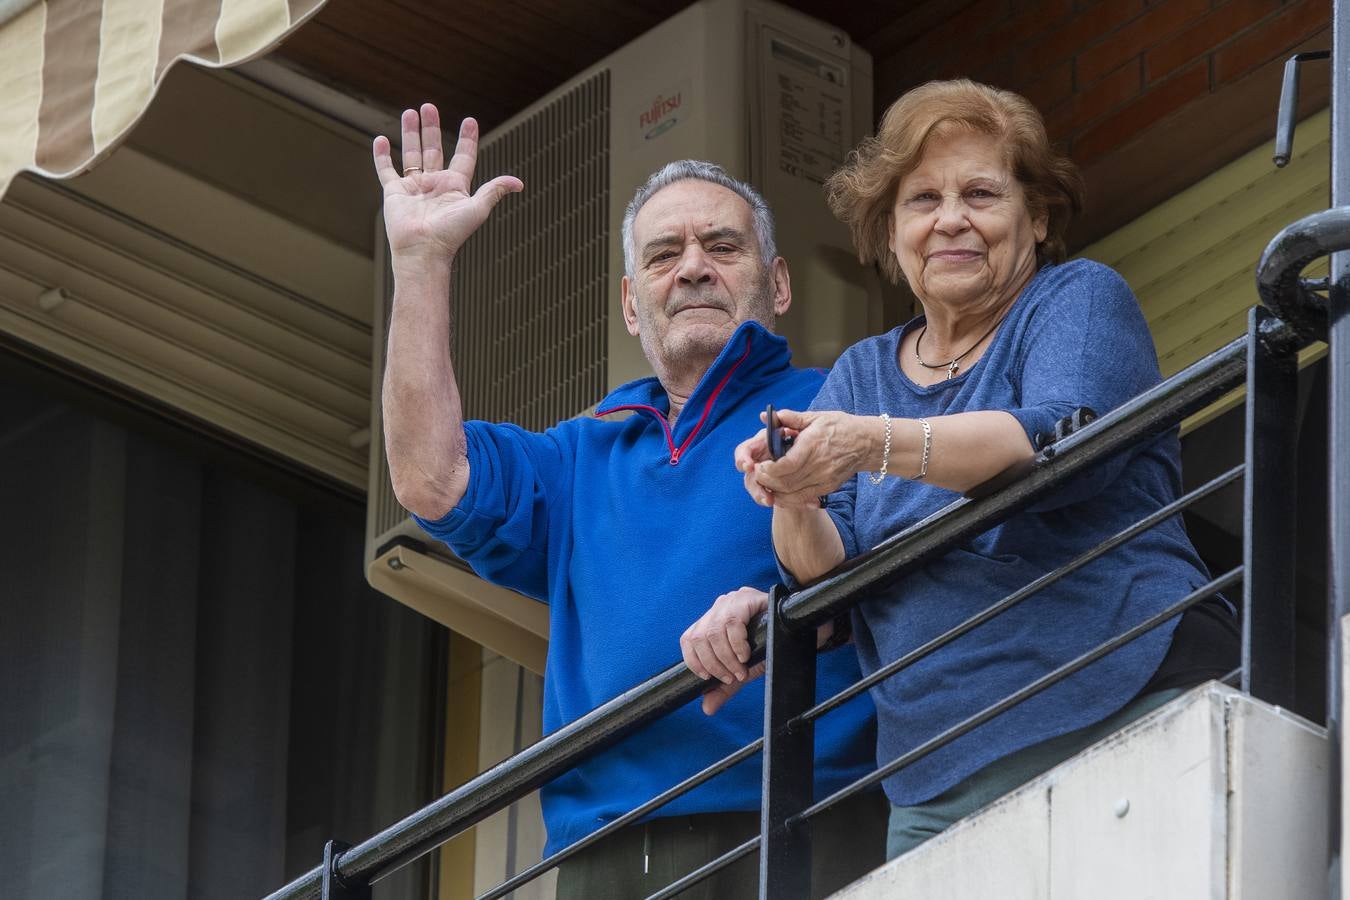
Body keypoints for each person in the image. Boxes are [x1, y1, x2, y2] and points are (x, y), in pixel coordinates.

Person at [685, 79, 1239, 861]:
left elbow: (1055, 443)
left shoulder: (1074, 300)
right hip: (933, 777)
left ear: (1036, 217)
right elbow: (827, 569)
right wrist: (796, 494)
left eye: (981, 192)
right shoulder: (862, 372)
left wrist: (869, 444)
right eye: (922, 200)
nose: (951, 219)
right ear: (891, 230)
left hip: (1124, 697)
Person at [373, 104, 883, 897]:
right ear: (630, 304)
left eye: (722, 246)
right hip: (602, 853)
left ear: (777, 283)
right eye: (663, 255)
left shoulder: (844, 403)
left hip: (804, 814)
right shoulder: (583, 452)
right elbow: (430, 480)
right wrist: (421, 264)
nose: (693, 268)